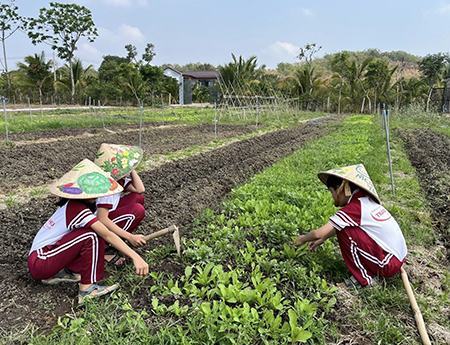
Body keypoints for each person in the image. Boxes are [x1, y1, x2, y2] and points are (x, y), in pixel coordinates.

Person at [28, 159, 149, 303]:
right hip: (40, 261)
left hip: (47, 258)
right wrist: (136, 256)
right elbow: (106, 233)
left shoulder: (75, 205)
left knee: (90, 234)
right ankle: (87, 289)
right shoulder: (77, 208)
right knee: (91, 235)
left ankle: (65, 272)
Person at [294, 164, 407, 287]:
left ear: (342, 188)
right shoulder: (365, 201)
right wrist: (324, 238)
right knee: (345, 228)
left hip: (388, 265)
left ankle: (364, 280)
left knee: (345, 232)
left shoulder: (354, 208)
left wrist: (300, 240)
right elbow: (333, 229)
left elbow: (317, 233)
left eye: (332, 192)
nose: (332, 197)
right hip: (398, 258)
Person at [94, 144, 147, 262]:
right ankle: (105, 248)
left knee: (137, 198)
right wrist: (129, 236)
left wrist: (131, 169)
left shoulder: (119, 179)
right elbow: (101, 219)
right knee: (137, 211)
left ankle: (114, 242)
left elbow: (140, 189)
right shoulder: (107, 186)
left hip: (108, 216)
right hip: (95, 226)